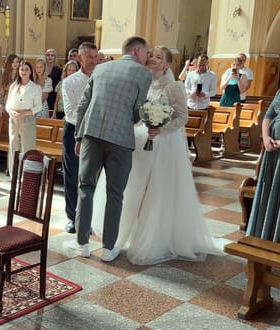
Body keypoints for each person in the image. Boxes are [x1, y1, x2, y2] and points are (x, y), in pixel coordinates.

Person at [92, 46, 225, 265]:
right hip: (140, 140)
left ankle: (153, 237)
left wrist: (160, 129)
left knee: (154, 190)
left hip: (163, 143)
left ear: (167, 64)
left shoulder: (174, 86)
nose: (152, 59)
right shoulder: (143, 81)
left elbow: (183, 117)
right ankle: (129, 232)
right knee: (133, 187)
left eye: (158, 57)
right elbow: (137, 113)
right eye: (151, 55)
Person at [62, 36, 151, 262]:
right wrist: (124, 119)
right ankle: (109, 248)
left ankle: (82, 244)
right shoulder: (143, 74)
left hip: (91, 134)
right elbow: (138, 111)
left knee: (85, 188)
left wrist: (79, 136)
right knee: (115, 194)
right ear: (138, 50)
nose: (148, 57)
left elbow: (83, 104)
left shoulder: (101, 68)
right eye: (147, 53)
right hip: (120, 139)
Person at [246, 56, 280, 246]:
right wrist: (266, 137)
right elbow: (269, 115)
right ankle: (266, 232)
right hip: (273, 150)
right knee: (271, 188)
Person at [60, 42, 98, 234]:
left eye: (95, 56)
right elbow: (71, 112)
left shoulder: (102, 79)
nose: (93, 60)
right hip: (74, 131)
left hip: (97, 134)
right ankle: (72, 217)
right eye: (89, 57)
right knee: (72, 175)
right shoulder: (69, 82)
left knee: (92, 178)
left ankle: (90, 218)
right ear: (80, 58)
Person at [5, 60, 42, 174]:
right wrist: (11, 111)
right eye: (22, 69)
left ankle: (26, 175)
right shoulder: (13, 86)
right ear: (18, 71)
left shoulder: (35, 87)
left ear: (30, 71)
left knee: (27, 148)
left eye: (26, 69)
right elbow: (8, 104)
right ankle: (13, 174)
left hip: (27, 118)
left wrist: (24, 113)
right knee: (13, 146)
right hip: (14, 119)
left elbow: (38, 107)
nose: (24, 72)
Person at [0, 54, 20, 118]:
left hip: (18, 105)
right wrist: (0, 108)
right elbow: (1, 94)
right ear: (9, 63)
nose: (15, 64)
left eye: (17, 62)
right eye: (13, 62)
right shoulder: (4, 75)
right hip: (6, 104)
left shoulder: (21, 75)